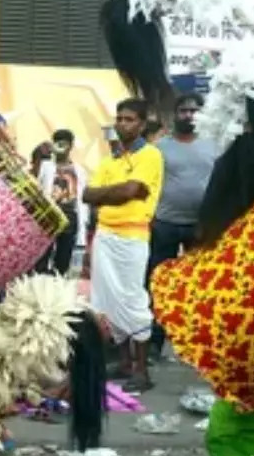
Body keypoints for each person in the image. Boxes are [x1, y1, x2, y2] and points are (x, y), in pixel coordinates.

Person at [82, 98, 163, 393]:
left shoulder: (151, 155)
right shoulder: (110, 161)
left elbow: (134, 190)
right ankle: (125, 363)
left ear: (142, 124)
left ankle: (142, 371)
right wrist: (116, 193)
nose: (122, 124)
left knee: (131, 299)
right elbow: (87, 195)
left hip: (132, 237)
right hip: (105, 235)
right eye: (119, 118)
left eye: (129, 119)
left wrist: (109, 193)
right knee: (105, 301)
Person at [148, 93, 216, 358]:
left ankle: (197, 345)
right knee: (157, 283)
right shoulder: (160, 147)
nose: (189, 115)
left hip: (200, 226)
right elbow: (150, 183)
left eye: (194, 111)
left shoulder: (215, 145)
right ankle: (155, 341)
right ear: (174, 115)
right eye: (184, 111)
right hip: (164, 224)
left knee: (198, 285)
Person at [47, 129, 81, 275]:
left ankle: (58, 284)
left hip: (69, 217)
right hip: (47, 217)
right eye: (58, 143)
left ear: (71, 145)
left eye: (65, 143)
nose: (61, 147)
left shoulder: (78, 170)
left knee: (63, 258)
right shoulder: (46, 167)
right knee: (42, 256)